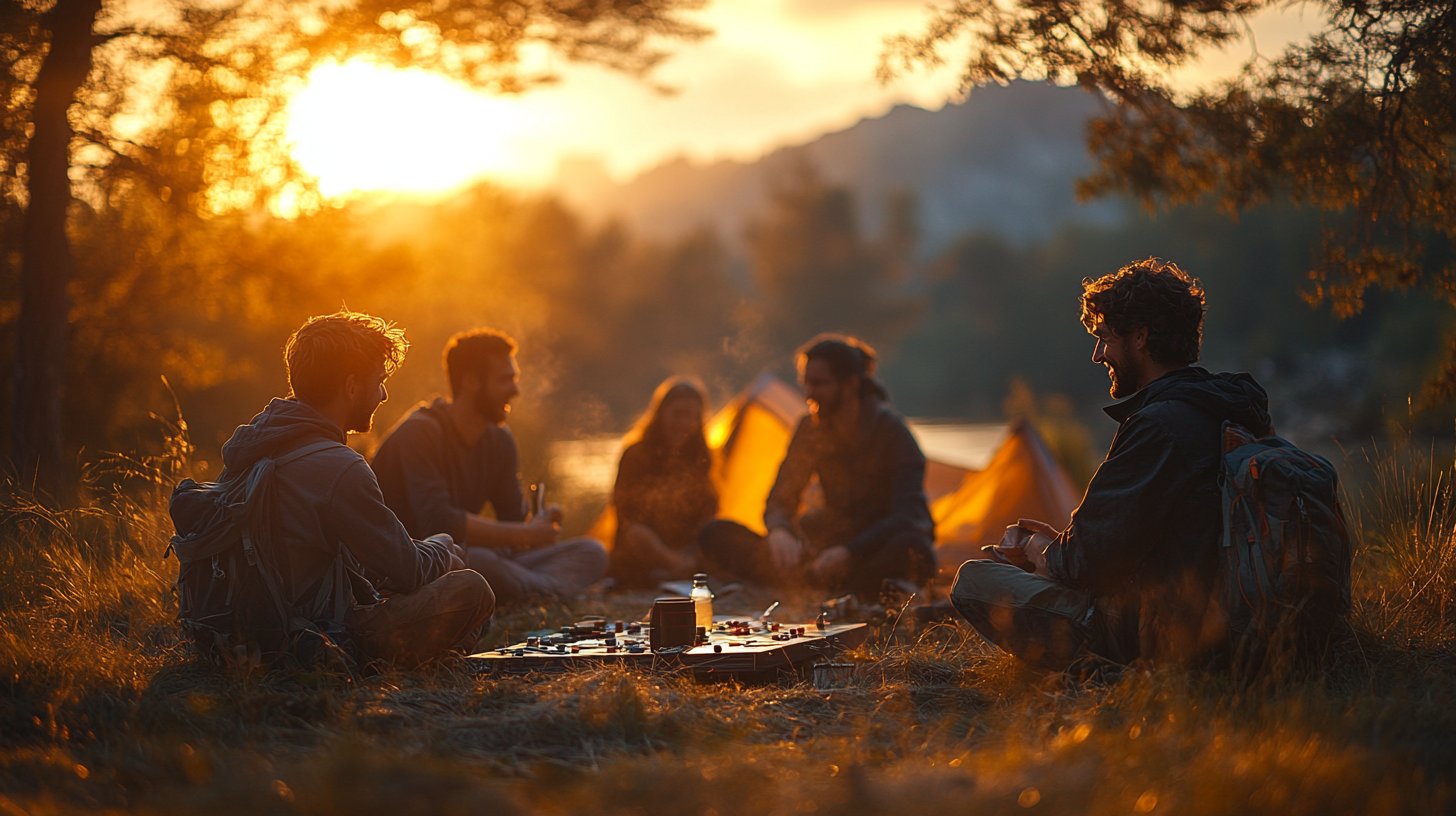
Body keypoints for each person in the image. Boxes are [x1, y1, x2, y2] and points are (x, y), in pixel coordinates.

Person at [951, 257, 1271, 671]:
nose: (1097, 354)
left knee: (973, 579)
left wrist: (1035, 549)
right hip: (1229, 621)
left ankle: (1108, 675)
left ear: (1140, 337)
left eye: (1104, 338)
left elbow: (1085, 565)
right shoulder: (1225, 410)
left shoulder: (1160, 425)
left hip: (1162, 632)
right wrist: (1060, 545)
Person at [206, 311, 494, 667]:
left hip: (246, 632)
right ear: (352, 386)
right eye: (380, 380)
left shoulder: (254, 444)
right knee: (470, 587)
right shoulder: (340, 466)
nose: (385, 394)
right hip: (318, 634)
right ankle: (393, 660)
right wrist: (444, 545)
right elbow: (408, 570)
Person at [370, 328, 608, 605]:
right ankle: (545, 591)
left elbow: (514, 524)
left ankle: (528, 589)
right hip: (425, 562)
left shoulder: (499, 439)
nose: (515, 390)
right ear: (471, 382)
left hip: (481, 557)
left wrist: (540, 526)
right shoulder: (420, 433)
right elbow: (439, 522)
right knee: (480, 563)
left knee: (592, 552)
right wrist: (525, 534)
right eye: (506, 380)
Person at [698, 334, 936, 598]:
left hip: (873, 547)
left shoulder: (892, 433)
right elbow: (780, 499)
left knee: (913, 548)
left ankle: (833, 583)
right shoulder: (810, 430)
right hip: (825, 546)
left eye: (819, 384)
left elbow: (908, 515)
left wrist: (849, 552)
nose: (809, 393)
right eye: (806, 383)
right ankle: (822, 581)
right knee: (715, 533)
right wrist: (780, 531)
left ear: (850, 384)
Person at [608, 377, 719, 588]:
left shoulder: (701, 457)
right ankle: (677, 569)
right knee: (636, 534)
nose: (684, 424)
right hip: (646, 546)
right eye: (677, 414)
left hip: (685, 546)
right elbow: (625, 513)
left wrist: (692, 548)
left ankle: (679, 569)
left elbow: (708, 510)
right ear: (660, 414)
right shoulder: (636, 455)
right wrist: (667, 554)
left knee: (718, 532)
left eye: (691, 416)